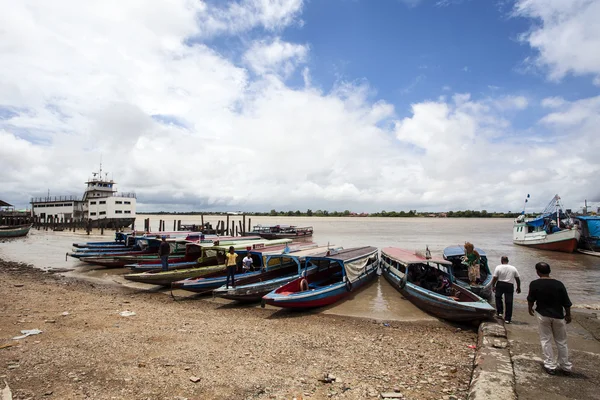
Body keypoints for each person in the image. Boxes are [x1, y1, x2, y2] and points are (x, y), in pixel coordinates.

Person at [527, 262, 573, 375]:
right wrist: (568, 314)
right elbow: (566, 302)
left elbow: (531, 299)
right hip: (558, 315)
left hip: (543, 315)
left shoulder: (534, 284)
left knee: (546, 339)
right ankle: (565, 366)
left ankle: (550, 365)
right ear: (549, 271)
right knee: (561, 342)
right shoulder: (559, 284)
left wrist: (530, 308)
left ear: (537, 272)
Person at [491, 256, 521, 324]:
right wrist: (518, 287)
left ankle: (500, 313)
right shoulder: (513, 268)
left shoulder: (498, 267)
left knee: (498, 297)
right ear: (508, 261)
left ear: (501, 261)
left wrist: (493, 286)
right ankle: (508, 319)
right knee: (509, 302)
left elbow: (495, 277)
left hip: (500, 284)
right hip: (509, 285)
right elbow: (517, 278)